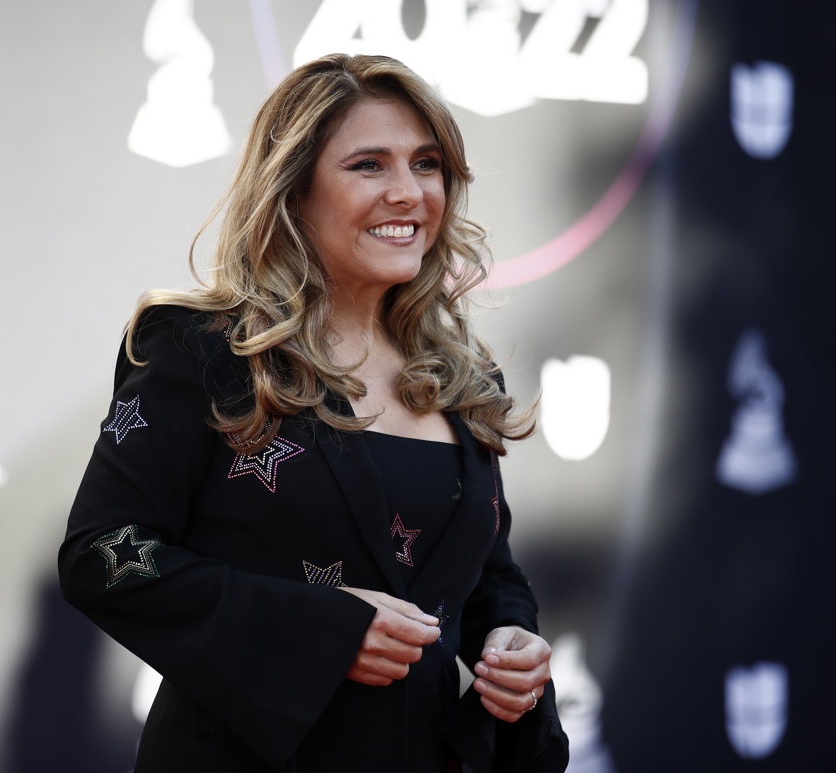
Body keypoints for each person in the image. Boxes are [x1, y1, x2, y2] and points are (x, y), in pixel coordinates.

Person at [59, 53, 568, 772]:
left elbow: (485, 570)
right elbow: (102, 554)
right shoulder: (204, 351)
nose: (408, 192)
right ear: (293, 191)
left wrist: (508, 638)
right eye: (369, 166)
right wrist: (323, 630)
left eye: (426, 165)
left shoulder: (461, 374)